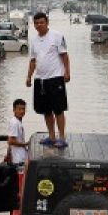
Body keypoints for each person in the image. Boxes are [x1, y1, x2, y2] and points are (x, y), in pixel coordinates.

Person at [25, 11, 70, 148]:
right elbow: (33, 60)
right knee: (46, 110)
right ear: (34, 24)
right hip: (40, 80)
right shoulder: (33, 40)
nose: (39, 25)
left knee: (58, 109)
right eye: (36, 23)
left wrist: (67, 72)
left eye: (41, 22)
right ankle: (51, 136)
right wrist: (29, 76)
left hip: (55, 78)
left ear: (47, 22)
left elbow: (64, 56)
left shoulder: (57, 36)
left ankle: (61, 137)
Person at [7, 98, 28, 168]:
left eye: (23, 109)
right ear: (14, 110)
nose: (22, 111)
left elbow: (9, 140)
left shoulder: (17, 122)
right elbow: (11, 141)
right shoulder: (14, 123)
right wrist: (26, 144)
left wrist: (8, 154)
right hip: (19, 160)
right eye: (19, 109)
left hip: (19, 158)